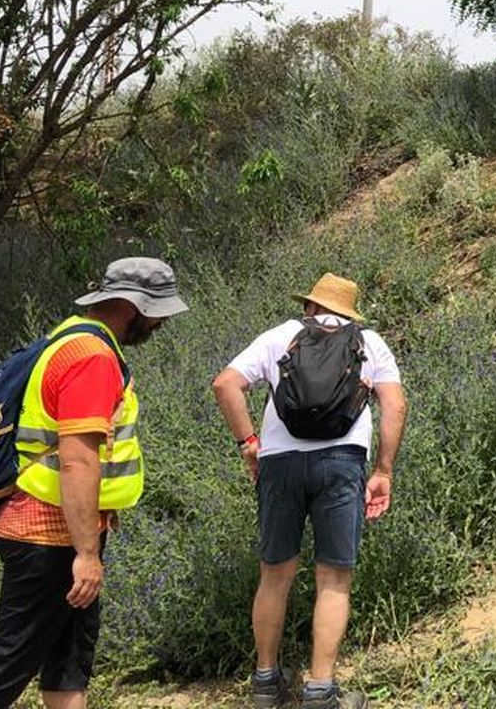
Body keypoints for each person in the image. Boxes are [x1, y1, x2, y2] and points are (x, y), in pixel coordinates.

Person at [0, 257, 191, 709]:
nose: (160, 322)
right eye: (157, 311)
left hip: (61, 527)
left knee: (68, 659)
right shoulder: (91, 358)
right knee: (10, 661)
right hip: (50, 534)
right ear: (132, 306)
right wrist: (85, 552)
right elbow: (78, 460)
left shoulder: (70, 337)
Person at [212, 274, 407, 709]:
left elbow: (225, 384)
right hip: (342, 463)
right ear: (348, 311)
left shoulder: (281, 335)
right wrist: (384, 471)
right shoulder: (370, 342)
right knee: (334, 579)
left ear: (311, 307)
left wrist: (248, 445)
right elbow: (395, 404)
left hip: (279, 465)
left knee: (275, 573)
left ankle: (265, 684)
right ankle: (320, 691)